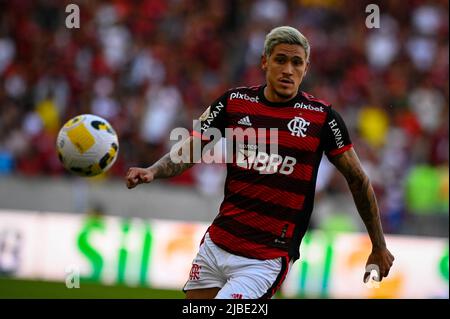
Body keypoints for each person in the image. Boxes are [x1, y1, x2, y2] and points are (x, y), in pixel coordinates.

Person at [125, 26, 394, 299]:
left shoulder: (323, 119)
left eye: (296, 62)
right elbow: (190, 150)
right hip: (217, 243)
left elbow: (358, 179)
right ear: (265, 61)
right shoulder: (234, 103)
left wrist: (378, 246)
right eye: (280, 60)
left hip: (265, 258)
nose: (288, 69)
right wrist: (153, 170)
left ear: (306, 68)